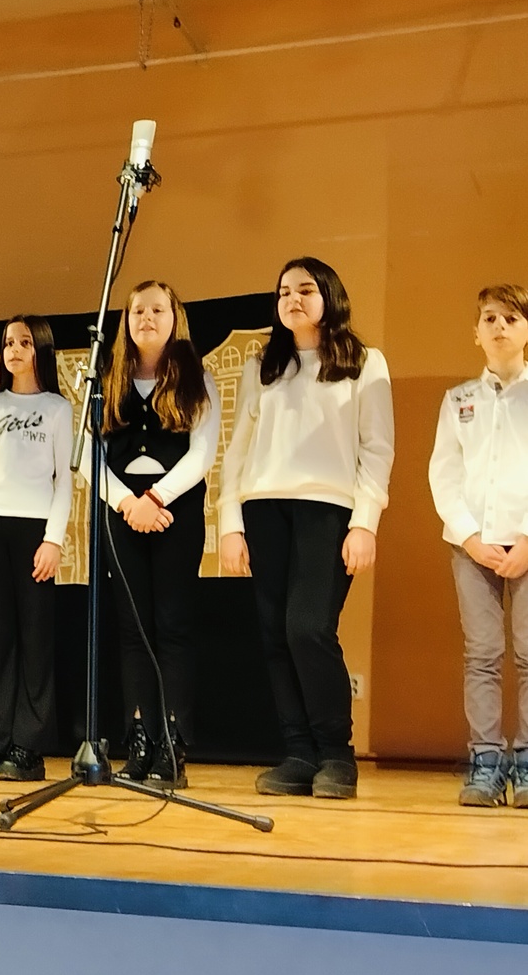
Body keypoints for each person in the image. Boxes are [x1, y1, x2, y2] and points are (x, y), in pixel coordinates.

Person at [219, 257, 394, 799]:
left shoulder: (365, 362)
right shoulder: (263, 365)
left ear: (329, 296)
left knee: (308, 628)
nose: (292, 299)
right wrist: (229, 523)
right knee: (275, 633)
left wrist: (365, 523)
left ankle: (336, 754)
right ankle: (298, 752)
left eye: (305, 290)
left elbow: (377, 449)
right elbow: (237, 450)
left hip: (328, 510)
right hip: (263, 507)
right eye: (283, 292)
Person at [83, 282, 219, 789]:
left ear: (174, 318)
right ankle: (138, 738)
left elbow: (202, 453)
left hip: (173, 515)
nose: (147, 318)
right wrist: (126, 502)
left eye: (157, 309)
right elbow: (88, 455)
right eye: (138, 310)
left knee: (173, 627)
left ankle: (171, 742)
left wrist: (156, 499)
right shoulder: (106, 381)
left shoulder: (197, 379)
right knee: (133, 630)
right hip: (121, 514)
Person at [0, 314, 73, 782]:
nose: (14, 350)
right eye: (8, 343)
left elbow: (64, 480)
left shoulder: (58, 409)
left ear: (40, 348)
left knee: (35, 640)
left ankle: (29, 746)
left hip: (35, 530)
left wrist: (53, 539)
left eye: (24, 342)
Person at [428, 283, 528, 808]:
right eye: (490, 318)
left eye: (511, 318)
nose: (499, 327)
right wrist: (469, 535)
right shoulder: (459, 400)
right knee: (483, 655)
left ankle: (527, 763)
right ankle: (486, 762)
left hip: (527, 544)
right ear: (476, 332)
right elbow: (443, 475)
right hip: (472, 548)